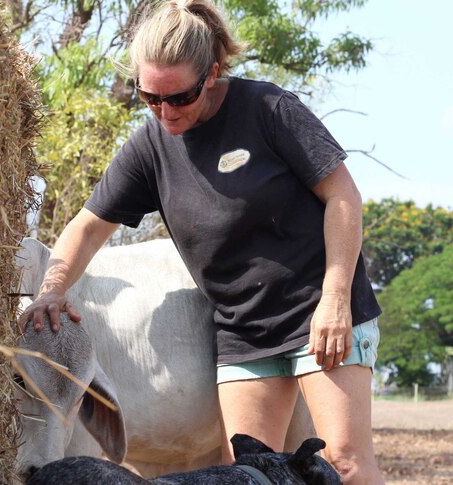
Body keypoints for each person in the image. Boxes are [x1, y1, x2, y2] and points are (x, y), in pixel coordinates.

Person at [20, 0, 384, 483]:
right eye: (150, 98)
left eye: (179, 98)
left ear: (211, 74)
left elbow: (343, 196)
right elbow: (86, 226)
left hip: (319, 314)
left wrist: (336, 299)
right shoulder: (151, 146)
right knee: (247, 476)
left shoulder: (268, 110)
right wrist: (52, 289)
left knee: (343, 466)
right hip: (245, 331)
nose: (165, 112)